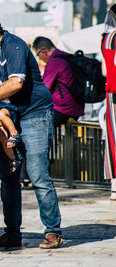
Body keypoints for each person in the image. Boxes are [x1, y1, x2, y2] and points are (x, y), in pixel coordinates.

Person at [0, 13, 63, 249]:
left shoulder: (14, 45)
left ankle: (53, 232)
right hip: (8, 115)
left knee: (38, 175)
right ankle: (12, 233)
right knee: (8, 176)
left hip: (35, 112)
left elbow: (15, 83)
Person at [32, 37, 84, 126]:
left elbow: (44, 90)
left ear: (43, 51)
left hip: (63, 110)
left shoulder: (54, 62)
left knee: (30, 120)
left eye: (38, 54)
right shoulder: (65, 56)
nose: (39, 58)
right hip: (76, 109)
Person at [101, 3, 116, 201]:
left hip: (112, 94)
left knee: (113, 138)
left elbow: (105, 71)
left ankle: (114, 187)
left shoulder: (107, 38)